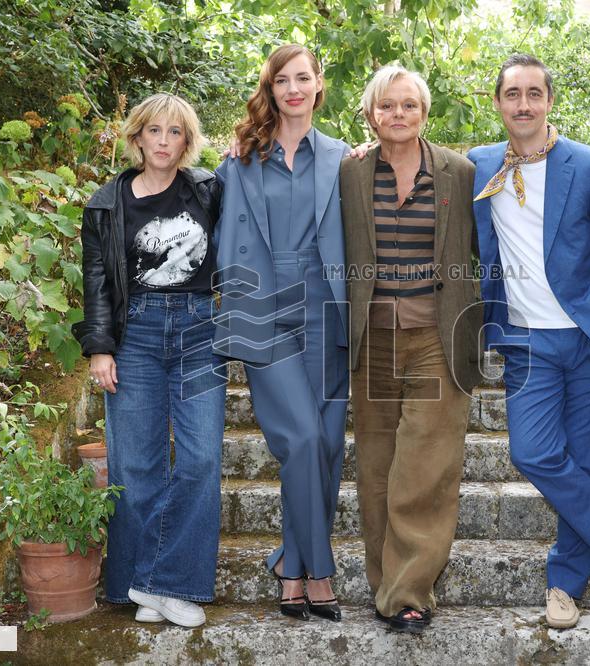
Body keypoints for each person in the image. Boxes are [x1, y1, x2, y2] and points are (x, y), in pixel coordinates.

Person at [467, 54, 590, 630]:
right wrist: (357, 154)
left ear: (550, 101)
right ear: (498, 103)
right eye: (512, 94)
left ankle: (564, 587)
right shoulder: (478, 166)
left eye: (534, 93)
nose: (523, 104)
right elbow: (409, 158)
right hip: (526, 341)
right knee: (533, 452)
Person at [72, 93, 226, 628]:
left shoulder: (208, 190)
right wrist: (99, 346)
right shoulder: (106, 202)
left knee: (202, 459)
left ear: (188, 141)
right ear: (137, 137)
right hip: (134, 332)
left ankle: (162, 583)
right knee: (136, 465)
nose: (164, 142)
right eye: (154, 131)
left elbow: (260, 193)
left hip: (200, 330)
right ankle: (143, 585)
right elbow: (96, 280)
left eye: (175, 133)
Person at [340, 66, 482, 634]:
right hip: (370, 339)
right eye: (387, 106)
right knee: (376, 468)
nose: (398, 115)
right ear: (371, 113)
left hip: (435, 338)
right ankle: (386, 583)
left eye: (409, 105)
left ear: (425, 111)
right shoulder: (348, 172)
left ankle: (409, 594)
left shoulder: (461, 172)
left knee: (426, 465)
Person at [213, 44, 349, 622]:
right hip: (263, 312)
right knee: (301, 441)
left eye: (303, 78)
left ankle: (290, 565)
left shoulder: (346, 159)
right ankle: (319, 572)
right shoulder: (239, 161)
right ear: (269, 91)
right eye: (281, 81)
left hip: (330, 313)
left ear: (319, 85)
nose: (293, 89)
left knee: (326, 446)